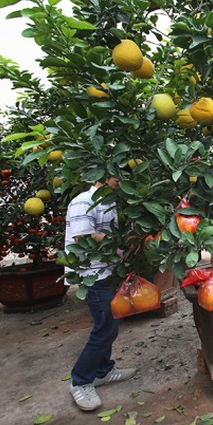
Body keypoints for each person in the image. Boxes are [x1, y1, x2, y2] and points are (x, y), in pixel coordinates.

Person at [65, 176, 136, 411]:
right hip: (92, 275)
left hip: (109, 272)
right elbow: (82, 237)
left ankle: (103, 371)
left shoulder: (111, 204)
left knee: (111, 323)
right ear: (104, 175)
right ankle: (81, 380)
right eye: (118, 173)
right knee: (104, 327)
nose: (124, 177)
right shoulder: (83, 201)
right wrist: (119, 240)